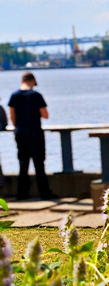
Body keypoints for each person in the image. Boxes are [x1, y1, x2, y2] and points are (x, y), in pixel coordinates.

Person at [8, 72, 55, 201]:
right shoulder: (36, 95)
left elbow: (12, 116)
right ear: (32, 80)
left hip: (20, 132)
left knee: (23, 164)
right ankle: (44, 193)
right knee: (39, 164)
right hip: (34, 132)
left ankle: (22, 193)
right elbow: (45, 115)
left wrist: (18, 127)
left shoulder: (14, 95)